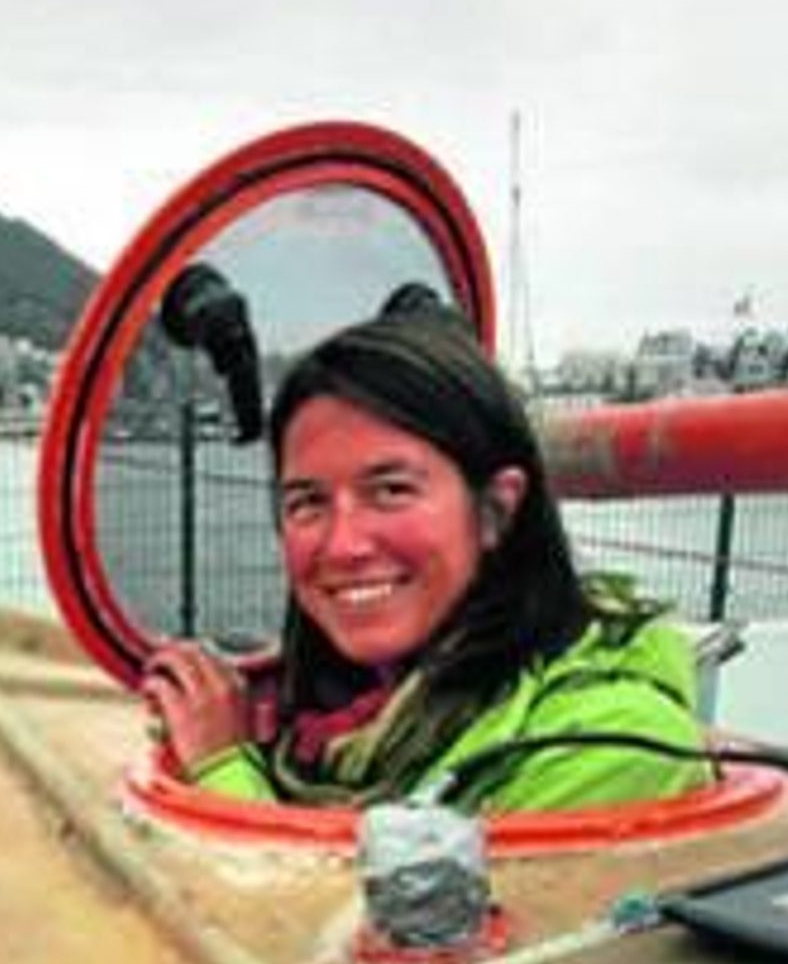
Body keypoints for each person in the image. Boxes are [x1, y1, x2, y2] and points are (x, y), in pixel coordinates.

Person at [141, 286, 709, 812]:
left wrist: (222, 770)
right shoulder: (351, 713)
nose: (343, 545)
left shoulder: (613, 742)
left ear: (495, 511)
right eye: (307, 502)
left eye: (391, 491)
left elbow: (350, 920)